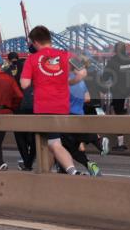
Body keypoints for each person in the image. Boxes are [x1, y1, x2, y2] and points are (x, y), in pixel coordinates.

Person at [20, 25, 85, 175]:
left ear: (35, 42)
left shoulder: (32, 59)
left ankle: (73, 172)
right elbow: (82, 72)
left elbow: (25, 84)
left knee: (53, 143)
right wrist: (69, 82)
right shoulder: (66, 55)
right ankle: (45, 174)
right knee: (50, 142)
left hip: (44, 107)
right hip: (63, 106)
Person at [62, 57, 101, 176]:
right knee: (75, 142)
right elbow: (87, 98)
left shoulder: (66, 81)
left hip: (67, 116)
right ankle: (99, 142)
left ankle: (87, 163)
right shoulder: (81, 82)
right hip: (80, 114)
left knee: (68, 146)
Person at [100, 41, 130, 152]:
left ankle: (121, 143)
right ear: (125, 49)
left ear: (115, 50)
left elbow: (104, 78)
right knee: (129, 116)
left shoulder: (112, 62)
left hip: (118, 94)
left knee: (118, 116)